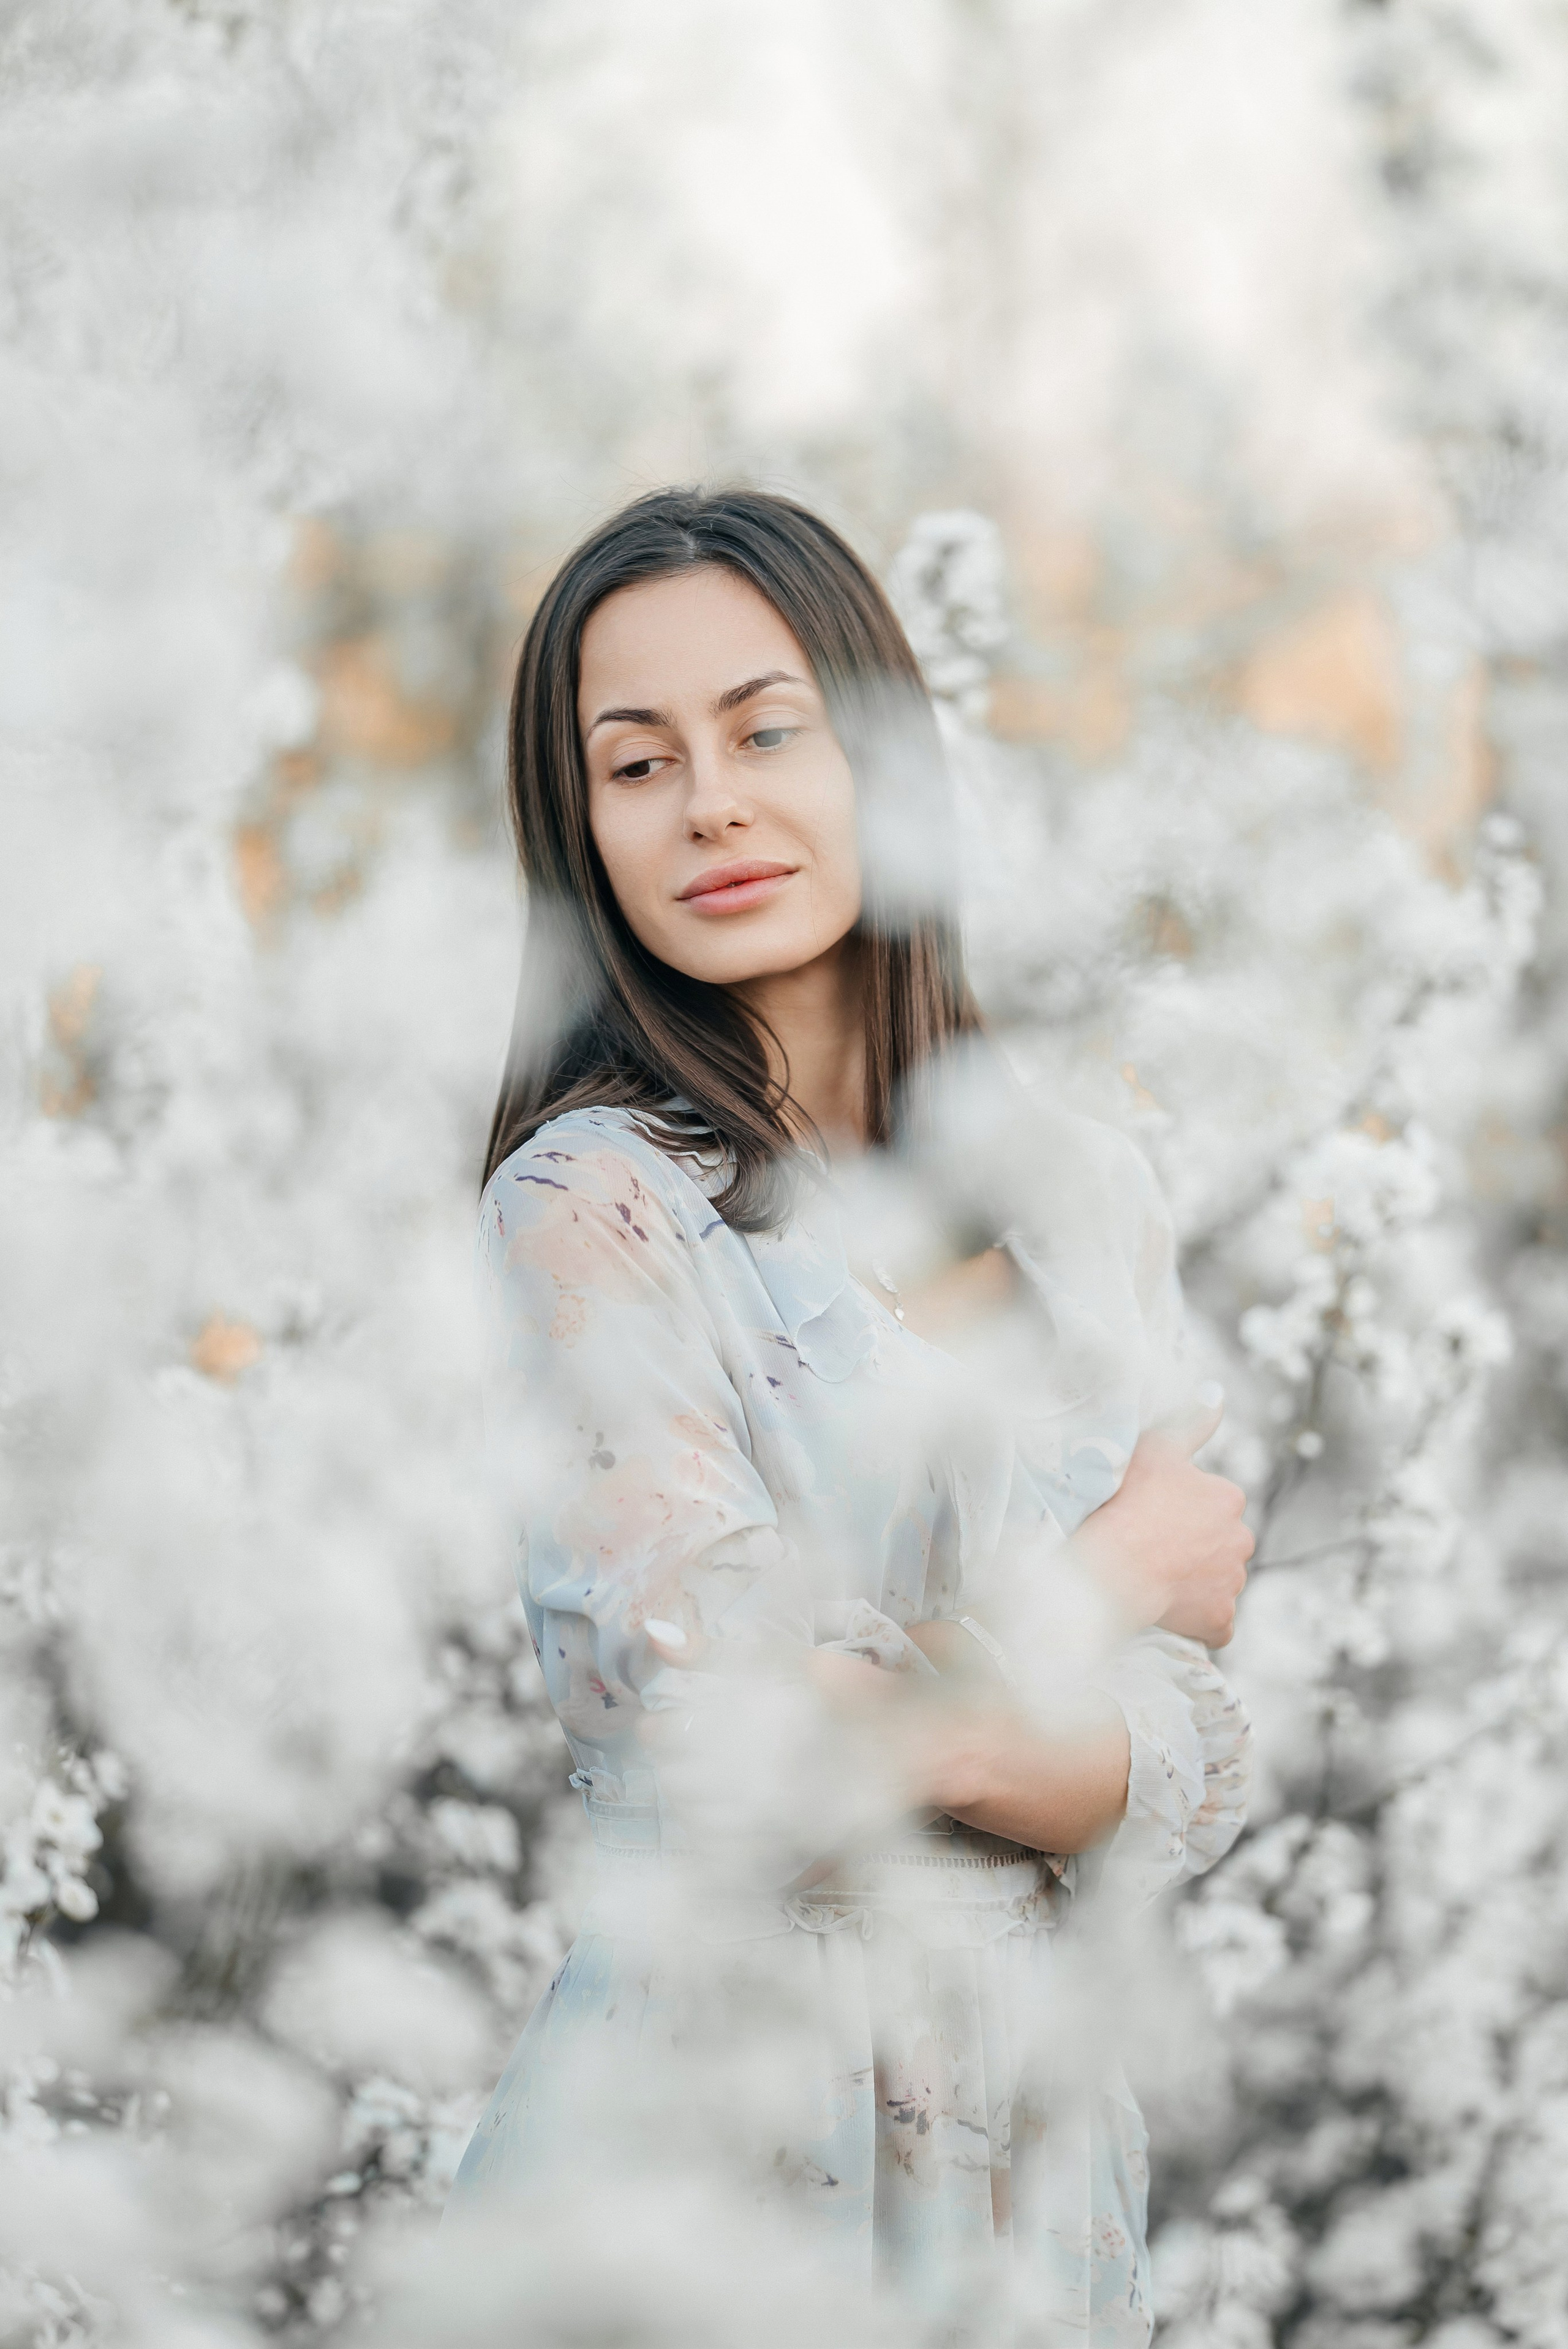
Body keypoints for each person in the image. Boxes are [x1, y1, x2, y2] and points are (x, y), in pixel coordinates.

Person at [445, 487, 1254, 2344]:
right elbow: (756, 1757)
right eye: (636, 763)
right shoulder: (598, 1208)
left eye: (766, 728)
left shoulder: (1079, 1192)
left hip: (1039, 2180)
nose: (710, 800)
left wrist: (944, 1722)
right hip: (714, 2156)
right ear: (582, 835)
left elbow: (1191, 1751)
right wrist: (1102, 1589)